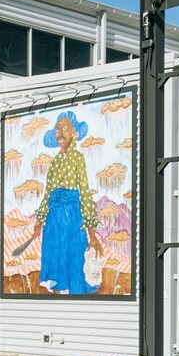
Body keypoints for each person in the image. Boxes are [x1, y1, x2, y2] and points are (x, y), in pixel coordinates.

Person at [36, 111, 102, 294]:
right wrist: (39, 220)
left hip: (73, 219)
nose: (60, 133)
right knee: (56, 263)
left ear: (74, 133)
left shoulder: (77, 158)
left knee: (74, 261)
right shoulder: (55, 162)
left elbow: (85, 194)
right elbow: (48, 194)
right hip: (53, 222)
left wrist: (92, 234)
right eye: (57, 129)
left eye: (64, 128)